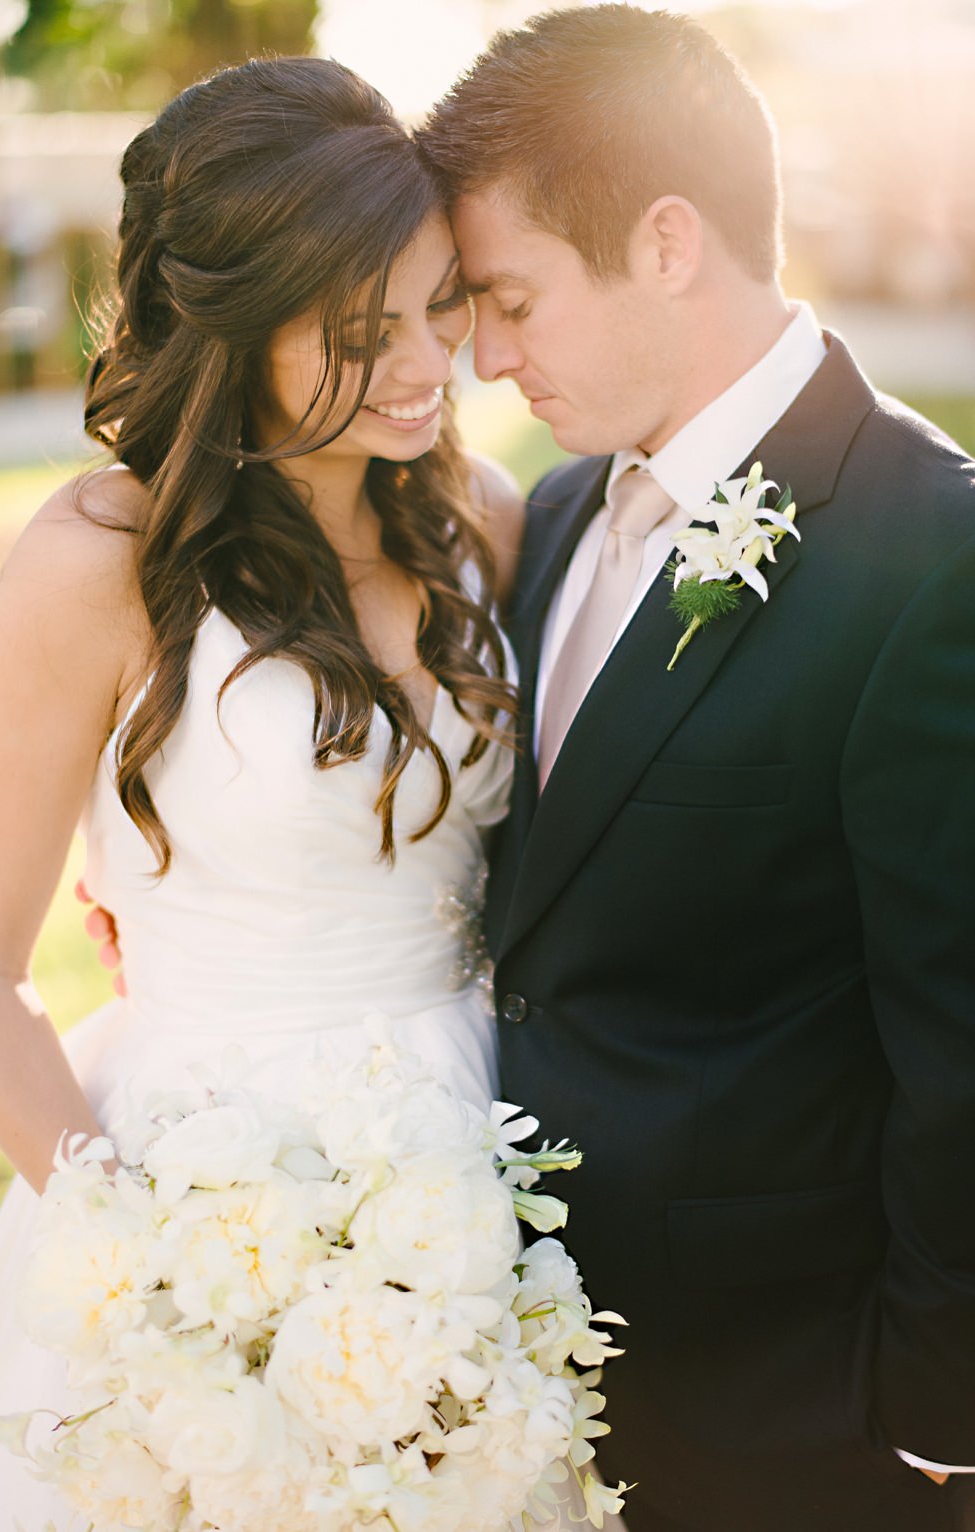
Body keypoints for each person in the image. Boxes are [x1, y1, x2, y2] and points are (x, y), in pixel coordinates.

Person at [414, 9, 975, 1527]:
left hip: (800, 1419)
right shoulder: (556, 508)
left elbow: (962, 1045)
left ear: (668, 243)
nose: (482, 354)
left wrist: (940, 1418)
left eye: (512, 299)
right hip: (532, 1380)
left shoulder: (933, 552)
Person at [0, 56, 526, 1527]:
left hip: (482, 1153)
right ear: (235, 336)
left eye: (437, 305)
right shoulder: (99, 568)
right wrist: (157, 1281)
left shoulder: (485, 525)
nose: (423, 367)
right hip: (197, 1189)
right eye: (357, 333)